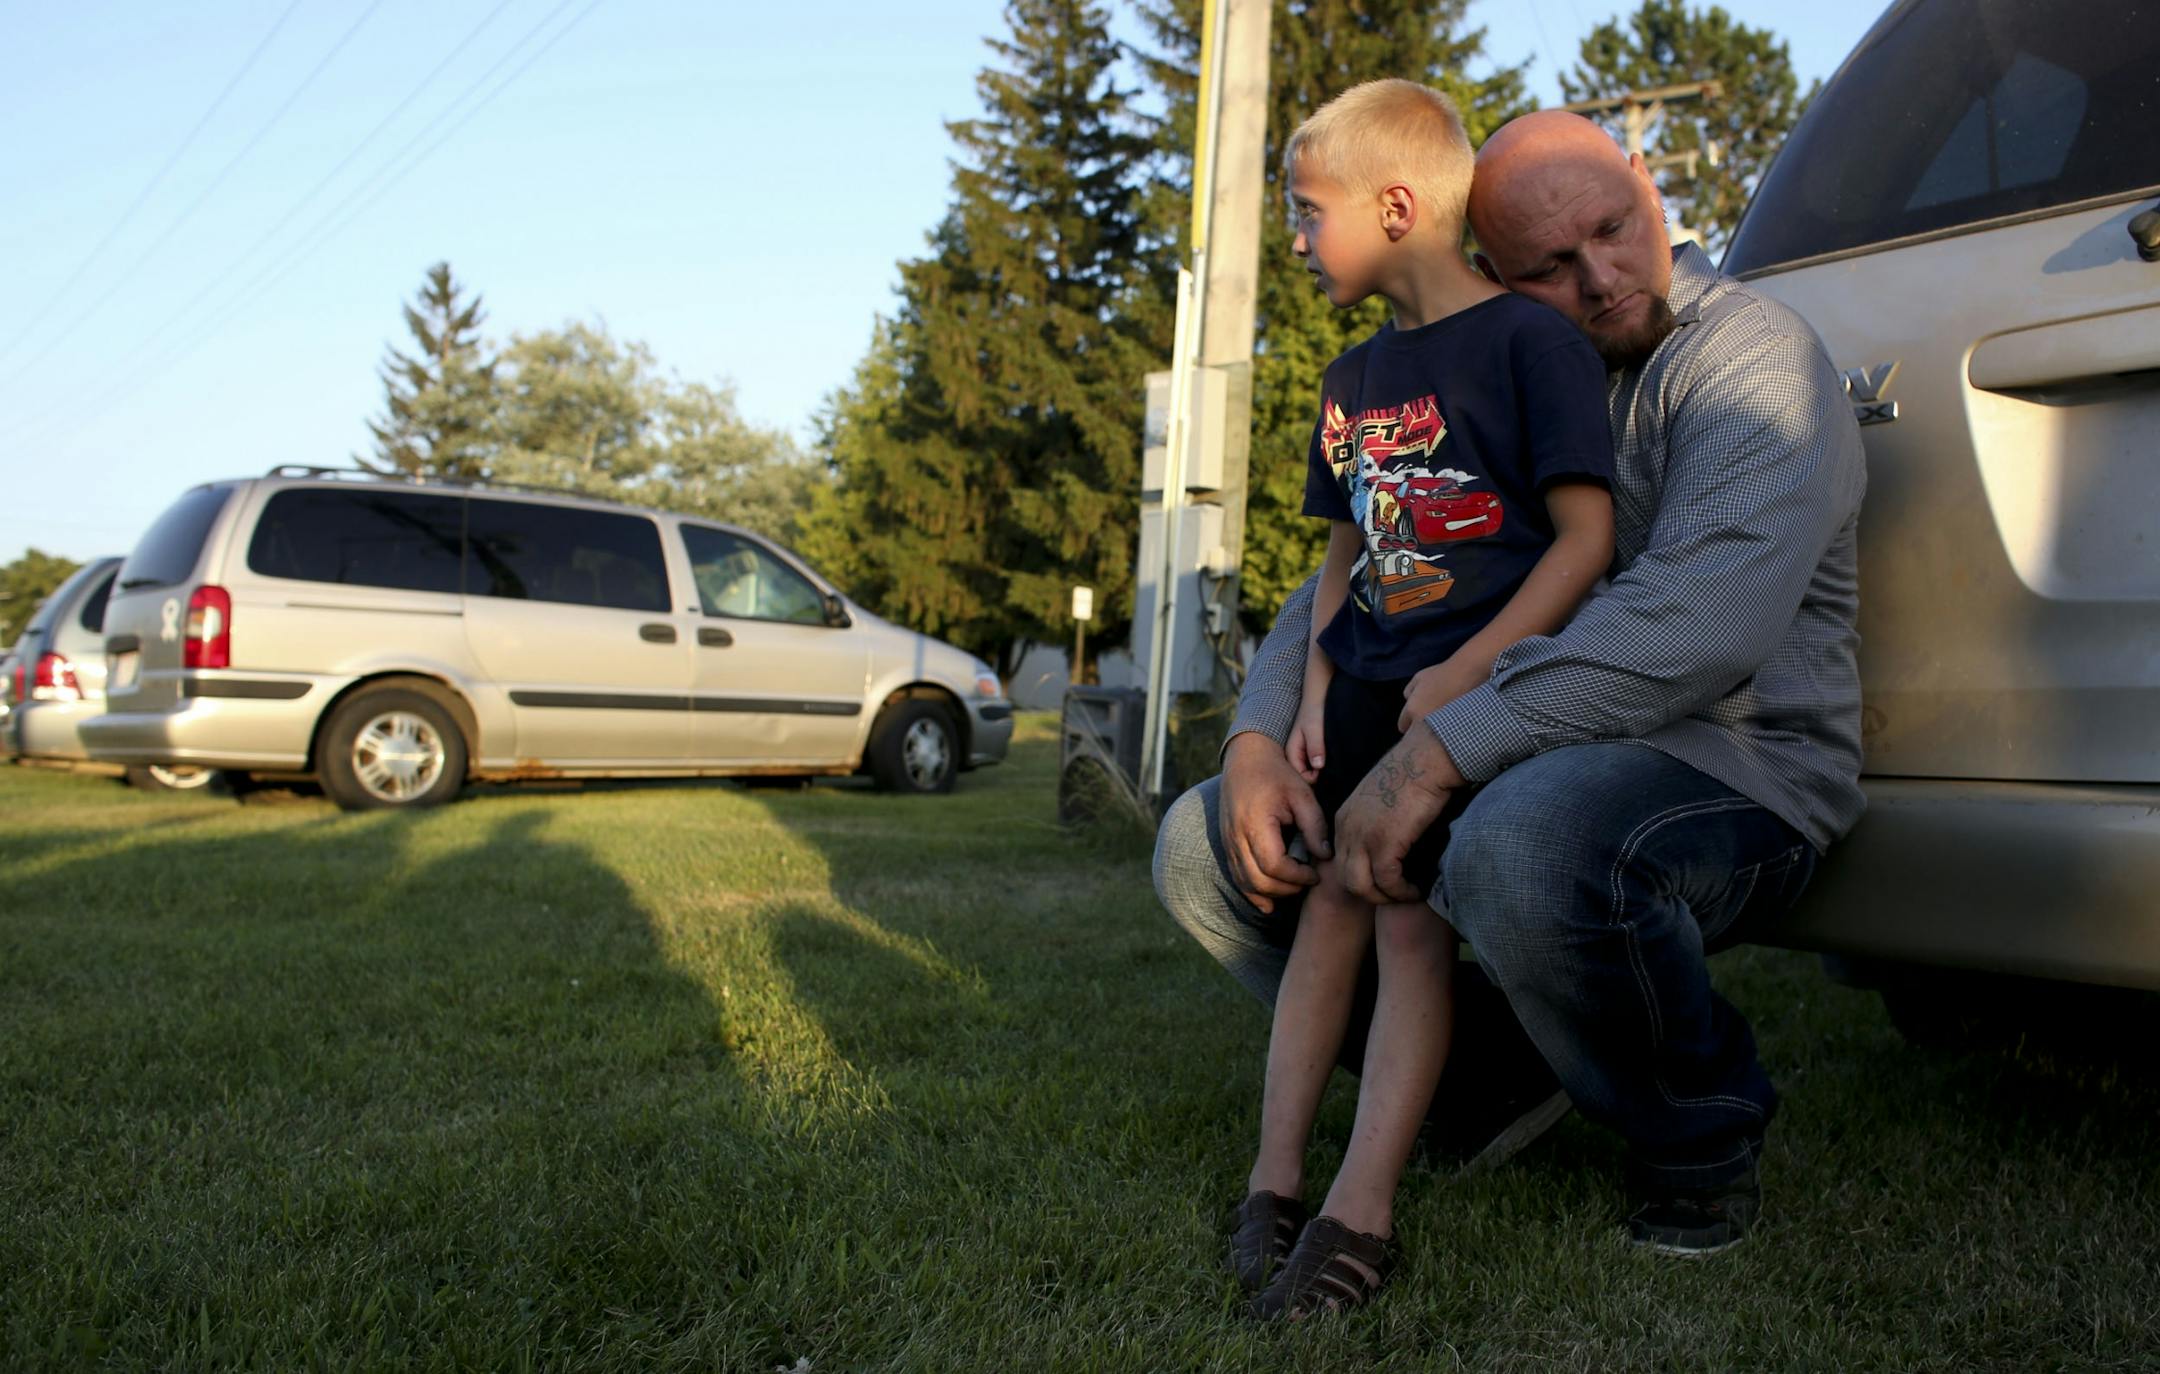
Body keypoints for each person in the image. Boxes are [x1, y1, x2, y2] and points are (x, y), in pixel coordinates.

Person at [1155, 108, 1867, 1263]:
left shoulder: (1751, 359)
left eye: (1614, 228)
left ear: (1646, 183)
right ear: (1491, 269)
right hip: (1517, 748)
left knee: (1525, 844)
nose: (1600, 279)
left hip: (1739, 765)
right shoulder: (1494, 371)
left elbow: (1699, 625)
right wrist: (1252, 738)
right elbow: (1370, 570)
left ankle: (1695, 1135)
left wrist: (1440, 751)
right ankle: (1493, 1081)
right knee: (1206, 849)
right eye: (1550, 266)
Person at [1232, 80, 1616, 1322]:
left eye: (1308, 214)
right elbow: (1345, 551)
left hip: (1458, 710)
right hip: (1363, 696)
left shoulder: (1530, 346)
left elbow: (1584, 539)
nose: (1297, 240)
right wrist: (1317, 685)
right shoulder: (1351, 378)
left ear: (1395, 207)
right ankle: (1273, 1182)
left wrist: (1472, 670)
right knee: (1325, 921)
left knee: (1403, 925)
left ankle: (1362, 1210)